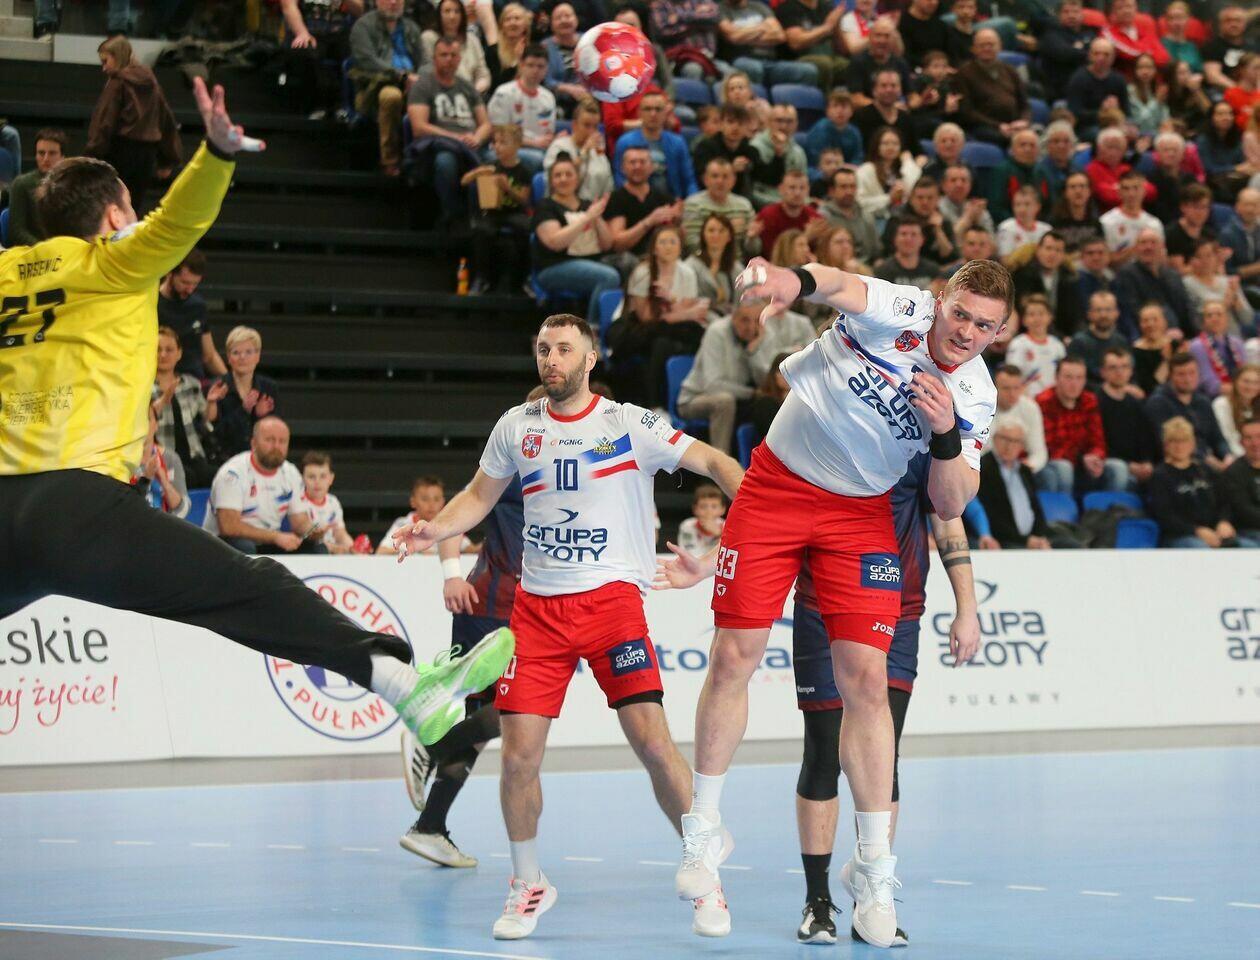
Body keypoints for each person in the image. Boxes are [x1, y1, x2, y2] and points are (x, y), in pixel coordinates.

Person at [1, 78, 510, 753]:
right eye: (131, 207)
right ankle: (405, 687)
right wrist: (216, 154)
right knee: (246, 590)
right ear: (117, 214)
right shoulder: (113, 261)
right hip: (78, 508)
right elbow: (178, 223)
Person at [677, 256, 1011, 946]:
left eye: (985, 326)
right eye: (961, 314)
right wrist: (790, 282)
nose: (967, 333)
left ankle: (876, 872)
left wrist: (945, 432)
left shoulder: (974, 393)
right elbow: (837, 284)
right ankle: (703, 831)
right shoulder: (904, 311)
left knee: (866, 682)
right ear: (942, 299)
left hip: (858, 515)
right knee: (735, 654)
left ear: (999, 332)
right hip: (778, 487)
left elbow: (951, 502)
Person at [392, 314, 744, 940]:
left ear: (590, 359)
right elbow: (477, 496)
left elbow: (718, 462)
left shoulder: (629, 424)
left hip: (612, 606)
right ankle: (528, 882)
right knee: (518, 757)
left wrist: (738, 536)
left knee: (653, 743)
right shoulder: (517, 426)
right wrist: (434, 530)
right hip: (537, 612)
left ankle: (704, 870)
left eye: (562, 349)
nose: (550, 359)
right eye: (542, 349)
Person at [655, 448, 978, 946]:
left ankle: (872, 889)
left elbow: (949, 521)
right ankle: (818, 899)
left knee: (884, 759)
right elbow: (773, 514)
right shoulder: (827, 437)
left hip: (901, 609)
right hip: (820, 607)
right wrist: (714, 564)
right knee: (823, 751)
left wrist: (967, 607)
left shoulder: (922, 441)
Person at [399, 395, 530, 869]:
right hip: (497, 610)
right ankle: (432, 742)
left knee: (486, 724)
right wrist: (451, 574)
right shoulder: (515, 470)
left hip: (522, 612)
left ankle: (430, 826)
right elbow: (457, 513)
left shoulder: (572, 471)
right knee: (518, 714)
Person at [679, 298, 813, 452]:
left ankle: (785, 454)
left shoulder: (763, 333)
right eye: (744, 320)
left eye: (757, 321)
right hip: (698, 397)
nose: (751, 327)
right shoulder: (717, 332)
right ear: (733, 317)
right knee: (724, 401)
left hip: (741, 399)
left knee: (768, 403)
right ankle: (720, 460)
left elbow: (766, 381)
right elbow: (713, 385)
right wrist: (752, 393)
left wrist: (754, 352)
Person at [612, 223, 709, 408]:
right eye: (663, 242)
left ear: (680, 247)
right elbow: (646, 317)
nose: (668, 246)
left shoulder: (687, 273)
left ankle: (687, 397)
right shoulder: (643, 273)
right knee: (661, 344)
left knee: (698, 334)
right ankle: (654, 403)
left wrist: (670, 299)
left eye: (673, 242)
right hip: (638, 330)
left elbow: (684, 311)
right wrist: (681, 312)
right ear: (654, 248)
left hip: (668, 327)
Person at [85, 36, 181, 215]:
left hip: (120, 152)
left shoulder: (117, 83)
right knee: (132, 208)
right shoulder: (152, 82)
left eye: (105, 61)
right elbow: (165, 119)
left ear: (117, 56)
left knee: (110, 207)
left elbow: (104, 122)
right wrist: (168, 159)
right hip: (147, 154)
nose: (104, 68)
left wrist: (91, 156)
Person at [407, 37, 493, 225]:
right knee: (445, 163)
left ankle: (487, 218)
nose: (449, 59)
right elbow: (419, 128)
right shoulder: (423, 85)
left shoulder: (467, 86)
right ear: (434, 58)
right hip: (440, 145)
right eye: (444, 55)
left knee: (495, 161)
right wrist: (455, 137)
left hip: (471, 144)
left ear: (459, 58)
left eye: (453, 55)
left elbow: (486, 124)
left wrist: (477, 138)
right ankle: (453, 214)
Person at [204, 417, 322, 553]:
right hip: (224, 545)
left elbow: (299, 521)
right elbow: (229, 527)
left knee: (318, 548)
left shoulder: (291, 473)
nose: (276, 447)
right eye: (270, 440)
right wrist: (275, 537)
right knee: (244, 547)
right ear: (254, 443)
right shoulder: (232, 474)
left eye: (282, 441)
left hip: (269, 542)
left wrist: (312, 530)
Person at [531, 155, 619, 323]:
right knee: (608, 277)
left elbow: (607, 244)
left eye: (568, 174)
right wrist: (586, 218)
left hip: (592, 262)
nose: (563, 179)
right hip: (554, 266)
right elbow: (554, 243)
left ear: (577, 179)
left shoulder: (588, 205)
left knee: (627, 267)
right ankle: (593, 328)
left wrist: (597, 218)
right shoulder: (545, 206)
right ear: (551, 181)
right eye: (558, 175)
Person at [349, 0, 424, 176]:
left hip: (413, 83)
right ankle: (390, 160)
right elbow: (367, 62)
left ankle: (422, 160)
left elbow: (425, 61)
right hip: (376, 85)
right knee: (391, 97)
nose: (393, 2)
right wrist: (401, 76)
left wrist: (421, 79)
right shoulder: (363, 26)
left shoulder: (411, 28)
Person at [1036, 355, 1129, 492]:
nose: (1074, 384)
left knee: (1118, 468)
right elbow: (1048, 448)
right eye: (1068, 377)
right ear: (1056, 378)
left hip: (1084, 464)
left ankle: (1113, 506)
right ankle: (1065, 506)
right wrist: (1082, 459)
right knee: (1064, 468)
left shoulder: (1089, 400)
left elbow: (1098, 440)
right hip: (1055, 465)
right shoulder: (1043, 402)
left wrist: (1095, 456)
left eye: (1079, 378)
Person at [1147, 418, 1243, 547]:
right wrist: (1196, 531)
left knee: (1246, 547)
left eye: (1184, 440)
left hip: (1214, 531)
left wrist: (1224, 521)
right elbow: (1165, 516)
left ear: (1192, 444)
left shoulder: (1206, 470)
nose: (1179, 446)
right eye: (1174, 441)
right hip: (1180, 536)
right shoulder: (1160, 476)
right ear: (1166, 445)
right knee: (1200, 549)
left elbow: (1224, 502)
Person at [464, 124, 533, 294]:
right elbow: (464, 181)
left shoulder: (523, 171)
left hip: (515, 212)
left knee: (525, 227)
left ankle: (524, 278)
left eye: (503, 142)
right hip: (492, 213)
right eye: (495, 142)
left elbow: (524, 200)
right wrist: (476, 173)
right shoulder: (491, 166)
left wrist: (508, 189)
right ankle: (482, 278)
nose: (497, 146)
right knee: (481, 230)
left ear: (517, 145)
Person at [153, 326, 223, 489]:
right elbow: (145, 424)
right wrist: (162, 401)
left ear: (179, 353)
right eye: (158, 349)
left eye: (169, 350)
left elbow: (208, 418)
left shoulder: (191, 383)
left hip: (194, 454)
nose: (163, 354)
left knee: (217, 476)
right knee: (187, 478)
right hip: (165, 457)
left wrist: (211, 402)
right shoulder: (145, 388)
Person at [1145, 352, 1233, 471]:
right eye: (1181, 374)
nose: (1188, 379)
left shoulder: (1203, 401)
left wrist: (1227, 456)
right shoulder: (1158, 404)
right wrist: (1209, 460)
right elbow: (1169, 444)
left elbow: (1217, 437)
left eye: (1192, 373)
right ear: (1170, 376)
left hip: (1209, 460)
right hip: (1177, 465)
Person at [605, 145, 684, 278]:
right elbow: (617, 244)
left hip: (661, 257)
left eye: (642, 162)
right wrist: (649, 221)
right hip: (631, 260)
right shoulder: (615, 199)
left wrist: (677, 221)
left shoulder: (663, 198)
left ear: (651, 167)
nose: (637, 166)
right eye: (632, 162)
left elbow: (679, 236)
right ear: (623, 168)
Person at [278, 0, 362, 118]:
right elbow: (288, 7)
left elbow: (360, 10)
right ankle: (317, 105)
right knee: (304, 49)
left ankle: (347, 107)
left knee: (359, 51)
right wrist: (301, 33)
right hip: (306, 30)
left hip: (339, 32)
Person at [978, 420, 1053, 549]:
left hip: (1032, 539)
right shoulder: (983, 468)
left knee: (1069, 544)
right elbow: (991, 516)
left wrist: (1039, 537)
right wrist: (1026, 541)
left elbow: (1036, 509)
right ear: (994, 439)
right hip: (1003, 541)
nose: (1009, 446)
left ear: (1022, 446)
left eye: (1015, 441)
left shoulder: (1025, 471)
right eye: (1005, 439)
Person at [614, 90, 698, 201]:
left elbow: (689, 180)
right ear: (639, 113)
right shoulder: (625, 142)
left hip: (672, 202)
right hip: (635, 203)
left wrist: (692, 204)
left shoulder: (678, 142)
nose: (653, 114)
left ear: (665, 113)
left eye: (658, 109)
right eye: (648, 109)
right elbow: (620, 179)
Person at [209, 325, 278, 459]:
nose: (242, 357)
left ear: (258, 356)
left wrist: (259, 416)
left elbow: (274, 432)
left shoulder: (269, 388)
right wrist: (244, 410)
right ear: (229, 357)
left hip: (260, 458)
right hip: (224, 458)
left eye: (248, 352)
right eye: (236, 352)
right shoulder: (218, 387)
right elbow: (217, 435)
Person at [953, 29, 1030, 146]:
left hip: (1015, 124)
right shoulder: (963, 74)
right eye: (982, 45)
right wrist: (998, 126)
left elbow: (1024, 104)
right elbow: (967, 112)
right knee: (1014, 141)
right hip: (983, 127)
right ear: (973, 49)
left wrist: (1024, 121)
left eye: (991, 44)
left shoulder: (1010, 70)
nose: (987, 48)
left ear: (1000, 47)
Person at [158, 249, 226, 382]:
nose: (190, 289)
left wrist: (230, 381)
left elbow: (209, 356)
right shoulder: (153, 304)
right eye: (185, 283)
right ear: (169, 273)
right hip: (161, 380)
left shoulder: (198, 305)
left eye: (195, 284)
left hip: (194, 381)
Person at [487, 44, 556, 173]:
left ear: (546, 69)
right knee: (538, 159)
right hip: (506, 148)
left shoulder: (548, 97)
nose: (535, 70)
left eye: (540, 66)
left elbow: (548, 132)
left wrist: (553, 139)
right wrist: (535, 143)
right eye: (530, 65)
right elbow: (498, 133)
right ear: (521, 65)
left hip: (539, 147)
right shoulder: (504, 93)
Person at [1096, 347, 1159, 487]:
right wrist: (1129, 466)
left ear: (1131, 371)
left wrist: (1147, 462)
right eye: (1113, 368)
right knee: (1120, 470)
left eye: (1124, 367)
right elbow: (1099, 443)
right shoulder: (1095, 402)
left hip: (1138, 466)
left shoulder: (1136, 403)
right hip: (1109, 465)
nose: (1119, 372)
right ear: (1103, 372)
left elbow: (1146, 438)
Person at [718, 0, 817, 87]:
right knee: (753, 68)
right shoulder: (721, 9)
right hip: (744, 60)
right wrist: (762, 27)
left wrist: (744, 36)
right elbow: (733, 37)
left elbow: (780, 36)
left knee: (808, 71)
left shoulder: (759, 7)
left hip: (770, 62)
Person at [1114, 229, 1193, 337]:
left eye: (1153, 242)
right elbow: (1132, 312)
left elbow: (1186, 308)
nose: (1148, 247)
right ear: (1136, 248)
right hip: (1147, 335)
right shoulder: (1127, 275)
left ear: (1162, 247)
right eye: (1143, 243)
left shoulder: (1172, 275)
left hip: (1180, 335)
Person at [692, 104, 772, 202]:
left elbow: (768, 179)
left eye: (740, 123)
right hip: (710, 199)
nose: (735, 127)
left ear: (747, 127)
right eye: (730, 122)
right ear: (721, 124)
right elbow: (702, 178)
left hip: (744, 202)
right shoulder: (706, 147)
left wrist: (778, 153)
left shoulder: (751, 151)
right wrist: (731, 169)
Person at [684, 157, 759, 257]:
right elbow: (692, 245)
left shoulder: (744, 206)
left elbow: (754, 250)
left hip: (736, 262)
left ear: (733, 180)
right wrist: (728, 229)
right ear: (705, 180)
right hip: (702, 261)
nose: (720, 181)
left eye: (725, 177)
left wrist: (752, 238)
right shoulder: (694, 204)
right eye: (715, 176)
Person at [1013, 232, 1081, 339]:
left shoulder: (1070, 278)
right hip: (1026, 336)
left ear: (1063, 255)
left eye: (1058, 250)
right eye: (1048, 248)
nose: (1052, 254)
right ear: (1038, 250)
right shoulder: (1021, 276)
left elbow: (1075, 315)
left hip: (1063, 337)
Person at [545, 97, 614, 201]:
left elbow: (608, 188)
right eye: (587, 125)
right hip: (561, 206)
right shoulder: (558, 146)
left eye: (595, 127)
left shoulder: (598, 154)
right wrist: (584, 151)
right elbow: (556, 181)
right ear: (574, 125)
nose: (591, 131)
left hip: (594, 207)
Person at [6, 128, 66, 247]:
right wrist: (44, 249)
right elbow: (17, 231)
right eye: (41, 153)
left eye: (52, 153)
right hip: (34, 251)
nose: (46, 158)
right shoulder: (22, 184)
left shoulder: (70, 184)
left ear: (62, 156)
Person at [985, 363, 1048, 470]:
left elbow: (1039, 453)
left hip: (1021, 466)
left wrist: (1022, 471)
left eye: (1016, 388)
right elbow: (982, 451)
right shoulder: (983, 408)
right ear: (994, 388)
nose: (1012, 394)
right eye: (1006, 388)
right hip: (988, 467)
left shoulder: (1030, 408)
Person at [422, 0, 492, 96]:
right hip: (441, 93)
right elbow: (428, 71)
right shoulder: (429, 38)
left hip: (473, 93)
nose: (452, 16)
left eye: (457, 11)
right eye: (447, 11)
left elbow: (483, 74)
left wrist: (475, 91)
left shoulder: (472, 39)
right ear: (439, 14)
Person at [1184, 243, 1256, 337]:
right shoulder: (1187, 284)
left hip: (1235, 338)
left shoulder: (1228, 281)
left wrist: (1236, 298)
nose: (1205, 261)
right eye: (1198, 257)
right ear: (1190, 261)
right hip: (1207, 340)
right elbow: (1199, 320)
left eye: (1209, 255)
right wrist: (1227, 301)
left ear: (1216, 257)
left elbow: (1248, 319)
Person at [777, 0, 848, 93]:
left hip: (829, 56)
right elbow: (796, 43)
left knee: (849, 66)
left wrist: (836, 26)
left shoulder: (826, 7)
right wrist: (826, 27)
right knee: (824, 64)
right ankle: (826, 99)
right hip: (798, 59)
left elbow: (843, 50)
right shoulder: (788, 8)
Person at [856, 127, 920, 221]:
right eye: (885, 143)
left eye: (895, 144)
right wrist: (889, 198)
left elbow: (915, 186)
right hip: (875, 219)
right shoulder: (865, 170)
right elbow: (860, 204)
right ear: (877, 146)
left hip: (902, 217)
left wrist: (908, 161)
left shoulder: (903, 169)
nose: (891, 147)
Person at [1099, 170, 1162, 265]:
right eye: (1126, 189)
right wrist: (1134, 249)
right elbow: (1106, 260)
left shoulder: (1154, 224)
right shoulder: (1106, 222)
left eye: (1136, 188)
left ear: (1144, 191)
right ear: (1119, 192)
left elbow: (1161, 258)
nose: (1131, 194)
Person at [750, 105, 809, 208]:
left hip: (793, 204)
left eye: (789, 121)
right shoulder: (755, 147)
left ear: (796, 124)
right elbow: (751, 189)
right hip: (763, 203)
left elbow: (803, 186)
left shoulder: (798, 152)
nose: (784, 126)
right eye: (779, 120)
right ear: (768, 122)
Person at [1187, 300, 1249, 398]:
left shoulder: (1237, 342)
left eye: (1219, 314)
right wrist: (1244, 390)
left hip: (1241, 393)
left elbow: (1246, 372)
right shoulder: (1197, 346)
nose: (1215, 319)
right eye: (1209, 316)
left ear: (1227, 319)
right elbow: (1209, 384)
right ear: (1203, 322)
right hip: (1215, 397)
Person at [1038, 0, 1097, 102]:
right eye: (1066, 12)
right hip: (1061, 92)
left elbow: (1098, 55)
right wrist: (1085, 52)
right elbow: (1063, 54)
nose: (1071, 16)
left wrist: (1076, 50)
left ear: (1082, 15)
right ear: (1059, 16)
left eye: (1075, 12)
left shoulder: (1090, 34)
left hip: (1088, 90)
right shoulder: (1051, 35)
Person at [1006, 295, 1065, 397]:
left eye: (1041, 314)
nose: (1037, 319)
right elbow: (1011, 377)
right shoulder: (1018, 344)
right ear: (1023, 320)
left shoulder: (1057, 345)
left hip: (1054, 400)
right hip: (1027, 399)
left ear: (1050, 317)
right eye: (1031, 314)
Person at [819, 167, 880, 265]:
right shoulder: (823, 217)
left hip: (867, 268)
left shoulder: (866, 216)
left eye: (852, 186)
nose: (849, 191)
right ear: (832, 191)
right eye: (843, 187)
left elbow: (876, 252)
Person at [1067, 290, 1129, 385]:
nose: (1103, 315)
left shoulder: (1122, 341)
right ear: (1089, 314)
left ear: (1116, 313)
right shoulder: (1078, 343)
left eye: (1108, 310)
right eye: (1098, 310)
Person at [989, 129, 1051, 225]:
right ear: (1012, 149)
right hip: (1009, 224)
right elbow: (995, 206)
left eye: (1032, 145)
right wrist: (1019, 224)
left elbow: (1050, 204)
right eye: (1022, 145)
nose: (1028, 149)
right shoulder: (1002, 171)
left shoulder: (1043, 171)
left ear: (1038, 150)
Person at [686, 213, 743, 314]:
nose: (716, 235)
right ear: (703, 235)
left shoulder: (737, 268)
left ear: (729, 237)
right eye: (711, 230)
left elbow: (744, 301)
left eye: (721, 231)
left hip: (732, 317)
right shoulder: (691, 266)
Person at [1087, 127, 1154, 213]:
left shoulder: (1126, 169)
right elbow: (1107, 197)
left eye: (1118, 148)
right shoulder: (1092, 169)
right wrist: (1137, 190)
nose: (1113, 152)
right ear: (1099, 148)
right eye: (1110, 147)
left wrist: (1116, 188)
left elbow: (1151, 191)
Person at [298, 451, 353, 555]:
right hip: (308, 554)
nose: (317, 482)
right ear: (302, 478)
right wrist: (330, 547)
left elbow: (340, 533)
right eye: (311, 477)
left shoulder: (333, 502)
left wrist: (352, 547)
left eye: (323, 476)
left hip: (331, 555)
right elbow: (300, 539)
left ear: (331, 478)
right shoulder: (297, 503)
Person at [753, 171, 821, 254]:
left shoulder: (814, 218)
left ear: (808, 190)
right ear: (781, 189)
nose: (797, 193)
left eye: (802, 188)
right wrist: (806, 237)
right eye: (792, 188)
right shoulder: (768, 215)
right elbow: (774, 254)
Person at [851, 70, 916, 156]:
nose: (889, 90)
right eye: (883, 85)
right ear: (874, 90)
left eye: (893, 85)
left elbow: (917, 151)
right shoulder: (860, 116)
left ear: (900, 90)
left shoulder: (906, 118)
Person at [1219, 419, 1260, 543]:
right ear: (1241, 442)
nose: (1255, 443)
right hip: (1249, 531)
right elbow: (1244, 511)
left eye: (1259, 436)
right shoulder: (1234, 472)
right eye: (1248, 438)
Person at [1132, 302, 1184, 396]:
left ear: (1165, 322)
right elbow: (1150, 388)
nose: (1150, 324)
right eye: (1145, 321)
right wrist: (1166, 361)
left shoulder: (1176, 345)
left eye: (1155, 319)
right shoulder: (1135, 351)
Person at [874, 219, 940, 290]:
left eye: (914, 234)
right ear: (894, 239)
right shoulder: (883, 271)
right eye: (903, 234)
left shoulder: (933, 270)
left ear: (922, 240)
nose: (908, 239)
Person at [1165, 184, 1219, 270]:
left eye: (1204, 207)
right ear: (1183, 207)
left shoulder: (1210, 235)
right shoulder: (1171, 234)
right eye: (1196, 207)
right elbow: (1179, 271)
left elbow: (1218, 267)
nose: (1200, 212)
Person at [1203, 6, 1255, 92]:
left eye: (1238, 20)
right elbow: (1213, 76)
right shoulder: (1212, 47)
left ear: (1245, 24)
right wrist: (1241, 92)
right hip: (1223, 93)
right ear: (1220, 24)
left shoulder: (1253, 47)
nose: (1233, 24)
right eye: (1228, 20)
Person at [805, 91, 863, 168]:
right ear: (827, 111)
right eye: (835, 106)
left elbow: (858, 157)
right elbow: (816, 159)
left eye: (844, 106)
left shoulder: (854, 132)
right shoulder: (819, 130)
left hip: (848, 170)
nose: (840, 111)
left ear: (852, 111)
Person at [1214, 363, 1260, 456]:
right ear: (1235, 382)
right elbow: (1227, 438)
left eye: (1256, 383)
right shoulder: (1222, 404)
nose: (1251, 387)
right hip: (1236, 457)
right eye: (1246, 381)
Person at [995, 186, 1052, 261]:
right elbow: (1005, 261)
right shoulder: (1006, 228)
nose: (1022, 209)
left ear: (1038, 206)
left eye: (1027, 204)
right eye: (1017, 204)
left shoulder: (1047, 229)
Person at [1127, 54, 1169, 139]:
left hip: (1158, 135)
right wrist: (1156, 102)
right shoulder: (1130, 91)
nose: (1145, 72)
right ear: (1135, 70)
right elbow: (1140, 122)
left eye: (1149, 67)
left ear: (1155, 70)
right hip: (1137, 135)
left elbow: (1164, 119)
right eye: (1141, 67)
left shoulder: (1158, 90)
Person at [678, 484, 727, 555]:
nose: (709, 511)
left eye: (714, 506)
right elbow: (688, 553)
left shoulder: (727, 526)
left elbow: (729, 552)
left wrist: (719, 534)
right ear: (695, 509)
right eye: (703, 506)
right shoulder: (688, 525)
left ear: (723, 509)